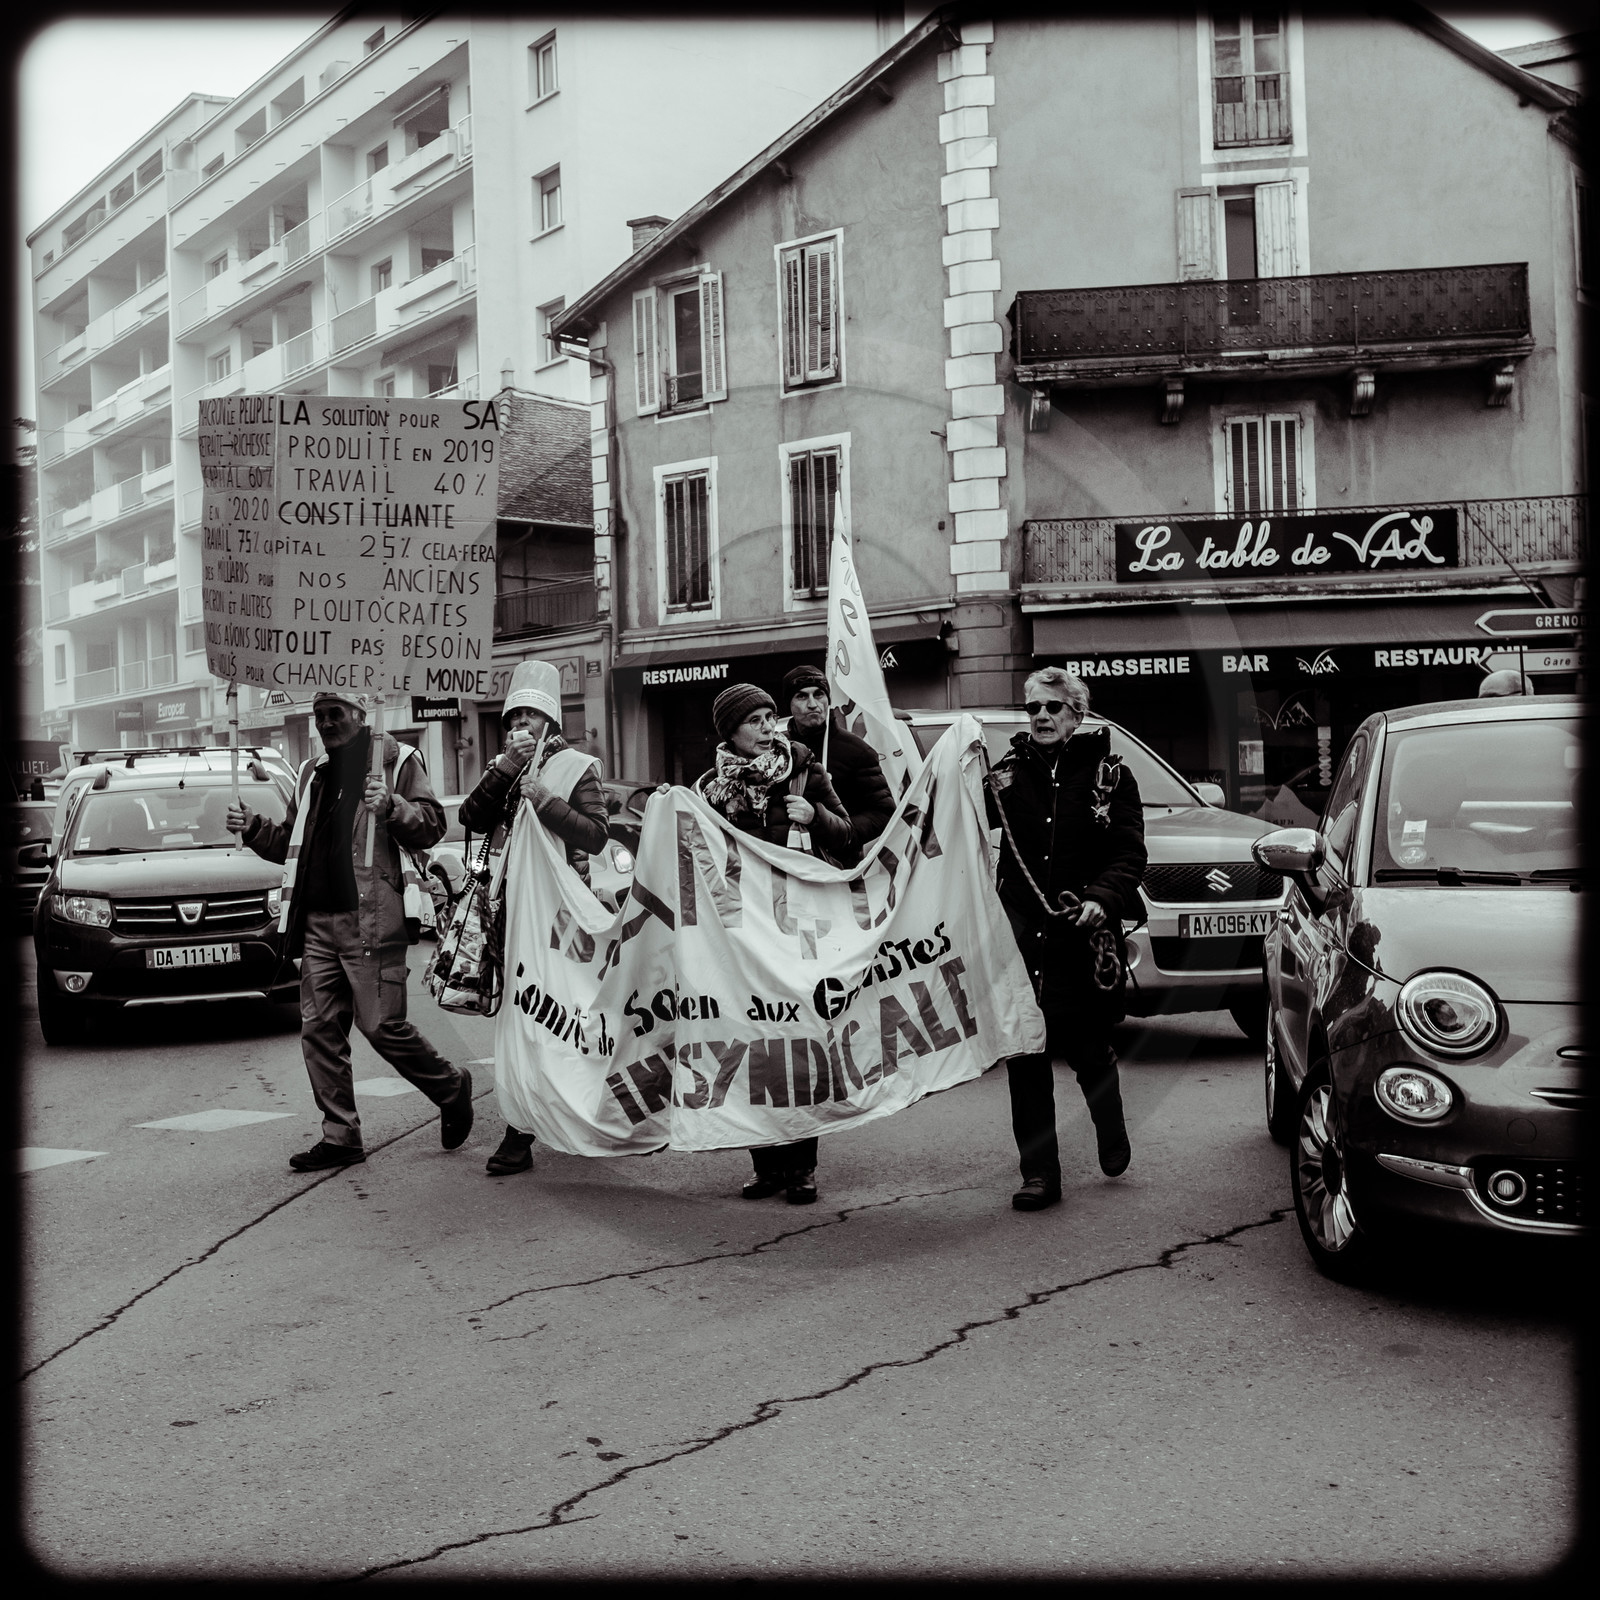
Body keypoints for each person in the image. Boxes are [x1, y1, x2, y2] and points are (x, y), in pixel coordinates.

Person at [228, 690, 474, 1172]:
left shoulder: (396, 760)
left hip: (371, 921)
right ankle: (340, 1135)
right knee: (319, 1031)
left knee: (381, 1026)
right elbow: (291, 845)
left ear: (360, 714)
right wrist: (254, 828)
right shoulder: (311, 773)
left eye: (334, 713)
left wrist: (392, 806)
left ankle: (451, 1086)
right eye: (318, 716)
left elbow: (431, 827)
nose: (324, 723)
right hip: (318, 921)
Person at [986, 667, 1148, 1212]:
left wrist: (1104, 896)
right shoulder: (1003, 776)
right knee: (1026, 1055)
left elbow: (1129, 854)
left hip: (1083, 940)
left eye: (1053, 707)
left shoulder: (1111, 776)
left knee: (1088, 1052)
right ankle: (1040, 1175)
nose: (1041, 716)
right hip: (1022, 942)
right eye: (1033, 707)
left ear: (1076, 715)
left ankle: (1110, 1126)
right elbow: (959, 831)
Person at [693, 682, 851, 1205]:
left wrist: (815, 817)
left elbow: (846, 833)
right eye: (755, 720)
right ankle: (766, 1163)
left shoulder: (804, 767)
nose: (768, 728)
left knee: (799, 1040)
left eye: (769, 717)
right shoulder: (708, 789)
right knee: (753, 1043)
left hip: (800, 929)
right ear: (730, 732)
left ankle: (802, 1166)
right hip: (742, 934)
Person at [462, 660, 609, 1177]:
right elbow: (471, 819)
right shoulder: (504, 767)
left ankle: (583, 1111)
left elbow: (594, 835)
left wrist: (546, 803)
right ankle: (520, 1130)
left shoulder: (576, 768)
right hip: (510, 912)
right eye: (514, 716)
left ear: (550, 720)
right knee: (521, 1022)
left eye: (531, 715)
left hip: (561, 919)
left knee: (561, 1018)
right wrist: (504, 769)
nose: (521, 725)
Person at [778, 664, 895, 867]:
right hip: (788, 866)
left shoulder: (857, 751)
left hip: (839, 867)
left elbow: (883, 812)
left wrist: (841, 833)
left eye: (819, 694)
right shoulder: (778, 751)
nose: (813, 704)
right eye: (802, 696)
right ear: (789, 704)